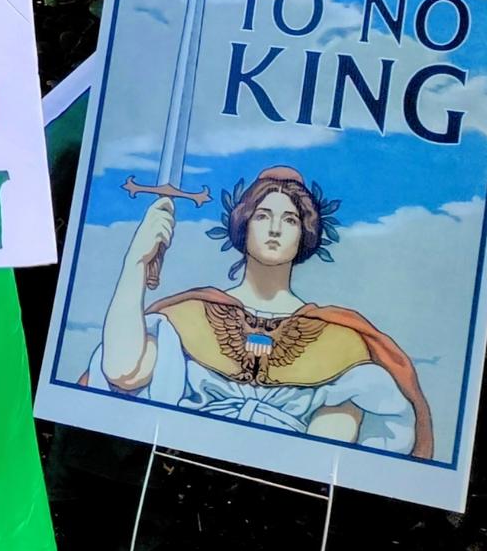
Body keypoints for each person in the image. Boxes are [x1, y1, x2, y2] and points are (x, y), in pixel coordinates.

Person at [91, 162, 433, 455]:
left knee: (348, 407)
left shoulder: (338, 337)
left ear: (305, 233)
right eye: (263, 215)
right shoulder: (189, 315)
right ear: (244, 224)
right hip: (186, 460)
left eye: (290, 220)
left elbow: (342, 439)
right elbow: (122, 371)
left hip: (284, 482)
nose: (274, 229)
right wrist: (136, 261)